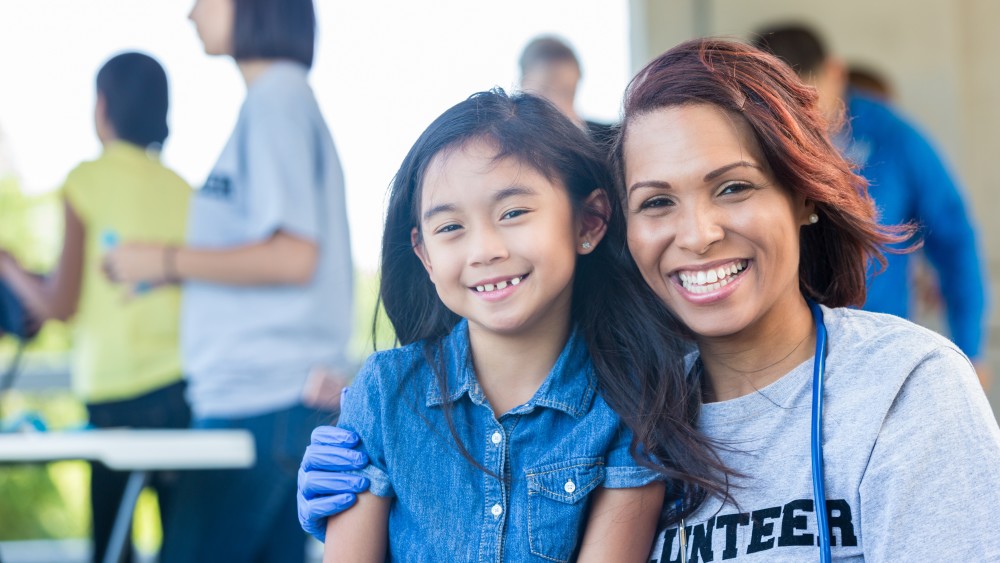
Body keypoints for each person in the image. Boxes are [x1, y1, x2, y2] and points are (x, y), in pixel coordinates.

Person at [299, 39, 1000, 561]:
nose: (697, 233)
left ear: (803, 195)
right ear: (620, 226)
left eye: (733, 187)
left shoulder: (904, 390)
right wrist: (372, 460)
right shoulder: (631, 399)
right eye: (658, 201)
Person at [321, 88, 723, 561]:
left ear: (589, 222)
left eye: (513, 213)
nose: (484, 249)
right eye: (450, 227)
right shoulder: (384, 394)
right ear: (424, 255)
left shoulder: (632, 400)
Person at [102, 0, 353, 561]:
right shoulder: (277, 103)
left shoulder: (277, 104)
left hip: (264, 403)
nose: (191, 13)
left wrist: (166, 261)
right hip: (274, 402)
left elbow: (293, 256)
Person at [0, 52, 191, 563]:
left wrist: (11, 270)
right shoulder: (183, 191)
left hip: (113, 396)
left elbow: (61, 304)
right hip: (180, 391)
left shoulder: (85, 178)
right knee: (184, 546)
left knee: (110, 547)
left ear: (102, 107)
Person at [753, 24, 991, 389]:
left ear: (834, 73)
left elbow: (954, 239)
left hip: (879, 352)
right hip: (773, 357)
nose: (800, 121)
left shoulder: (894, 137)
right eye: (782, 107)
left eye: (809, 101)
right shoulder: (748, 139)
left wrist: (969, 348)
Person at [519, 36, 616, 149]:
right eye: (545, 92)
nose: (556, 105)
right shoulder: (508, 145)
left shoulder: (611, 142)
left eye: (566, 92)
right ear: (523, 85)